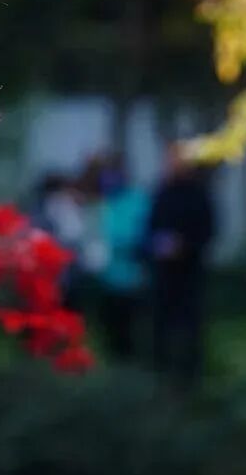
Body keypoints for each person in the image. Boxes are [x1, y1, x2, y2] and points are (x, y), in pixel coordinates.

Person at [146, 142, 216, 387]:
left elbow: (208, 232)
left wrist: (184, 246)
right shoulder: (161, 193)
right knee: (161, 326)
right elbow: (150, 228)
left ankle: (192, 378)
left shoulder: (199, 195)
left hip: (190, 272)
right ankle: (160, 376)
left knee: (191, 327)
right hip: (164, 273)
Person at [91, 153, 149, 362]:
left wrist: (117, 244)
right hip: (107, 278)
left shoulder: (138, 199)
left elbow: (139, 235)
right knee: (109, 330)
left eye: (112, 174)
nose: (108, 180)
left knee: (130, 330)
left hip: (133, 277)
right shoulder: (104, 202)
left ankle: (131, 368)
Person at [31, 172, 87, 310]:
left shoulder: (43, 206)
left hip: (58, 266)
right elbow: (73, 234)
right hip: (57, 266)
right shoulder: (60, 204)